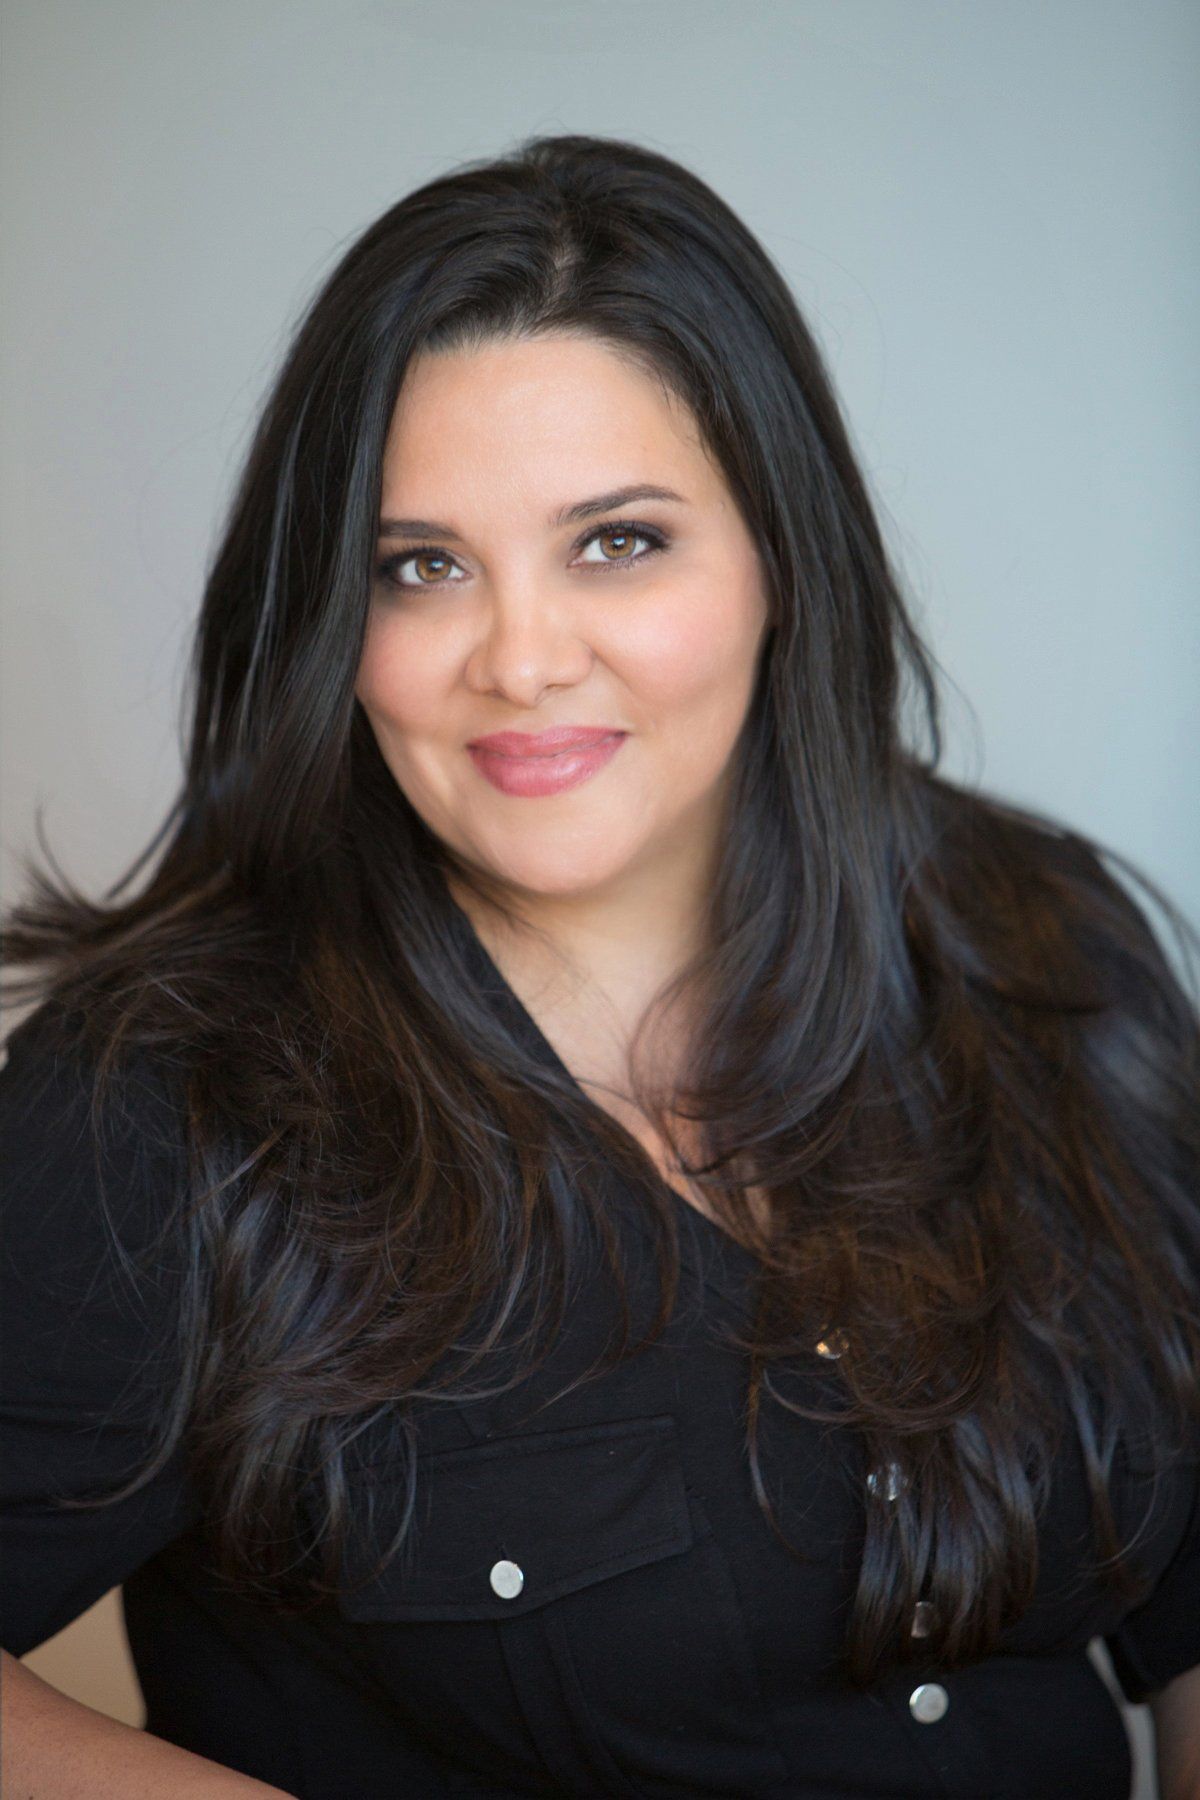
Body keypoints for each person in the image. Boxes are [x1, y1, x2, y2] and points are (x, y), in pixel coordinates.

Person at [2, 131, 1198, 1800]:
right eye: (421, 568)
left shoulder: (1047, 950)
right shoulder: (164, 1100)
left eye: (618, 541)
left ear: (781, 554)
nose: (522, 657)